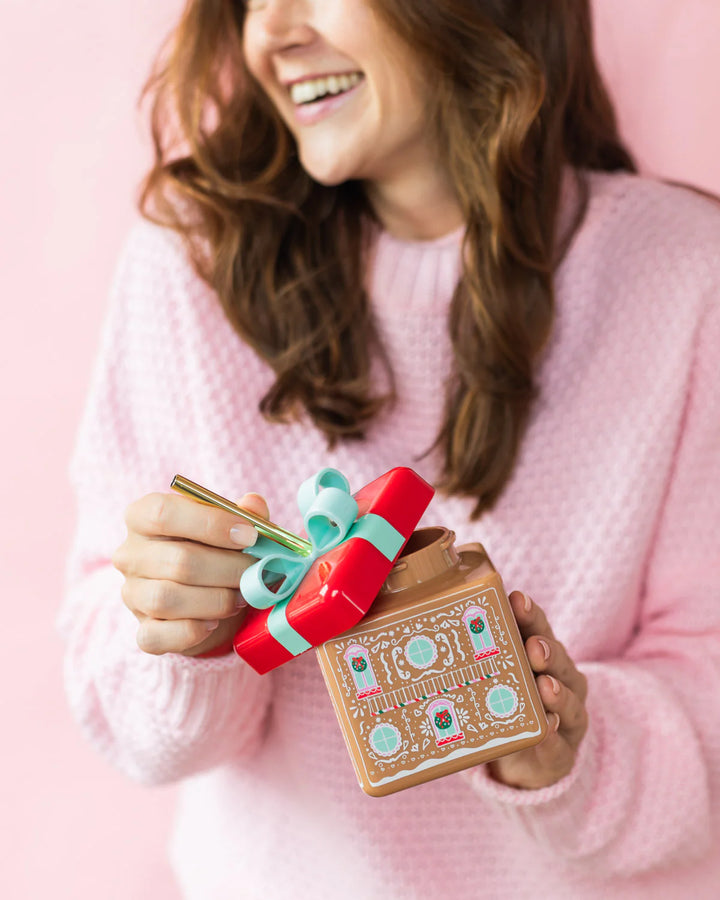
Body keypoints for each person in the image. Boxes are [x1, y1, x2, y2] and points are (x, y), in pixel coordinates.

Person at [60, 0, 720, 896]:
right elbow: (114, 690)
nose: (272, 33)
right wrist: (188, 639)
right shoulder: (191, 261)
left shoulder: (688, 275)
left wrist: (570, 748)